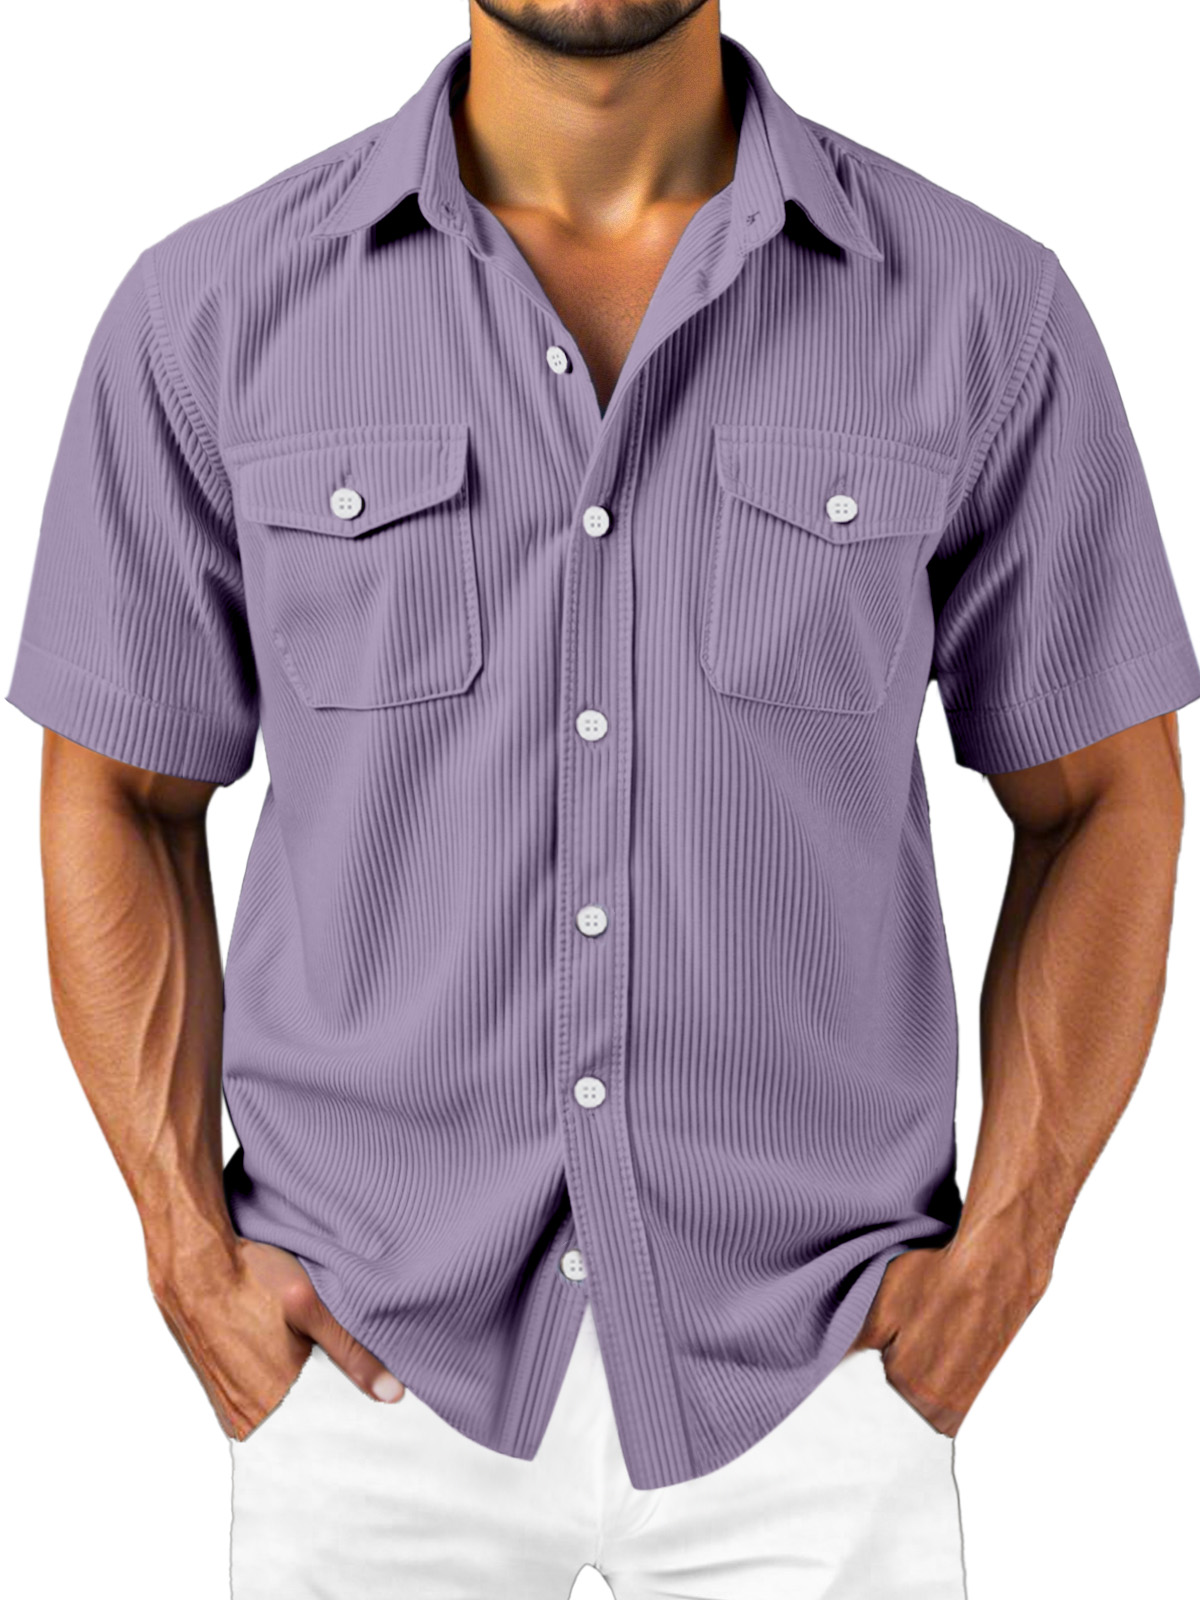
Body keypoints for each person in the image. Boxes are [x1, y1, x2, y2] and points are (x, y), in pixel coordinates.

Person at [9, 2, 1198, 1595]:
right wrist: (180, 1244)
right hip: (365, 1372)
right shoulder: (212, 312)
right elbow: (118, 784)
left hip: (819, 1378)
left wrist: (1009, 1249)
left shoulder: (981, 308)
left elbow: (1106, 790)